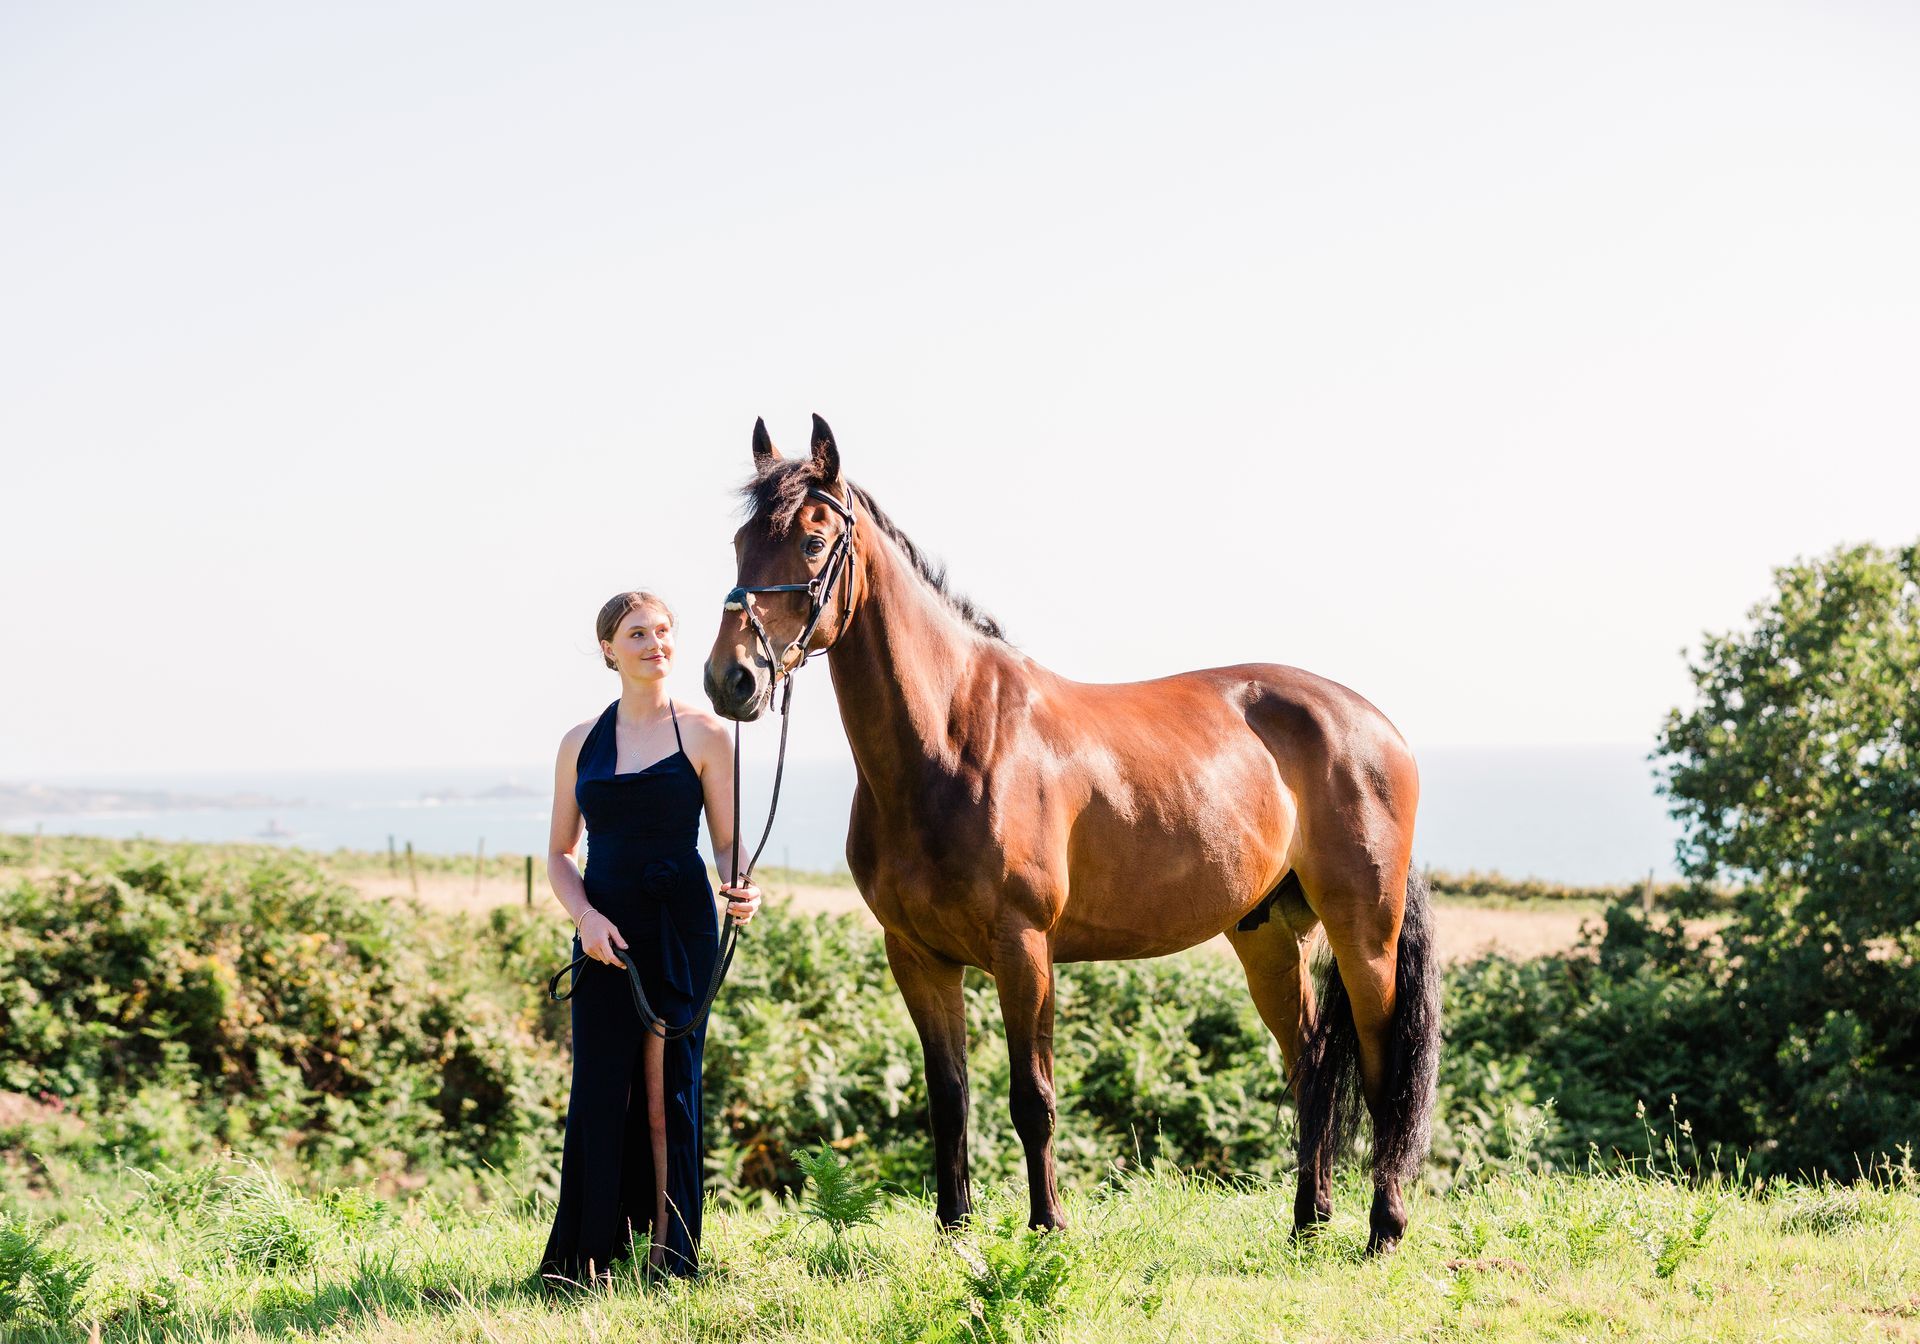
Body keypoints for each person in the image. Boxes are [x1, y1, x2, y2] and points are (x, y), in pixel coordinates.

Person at [538, 589, 761, 1286]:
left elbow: (727, 844)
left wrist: (742, 884)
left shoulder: (705, 733)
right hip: (603, 934)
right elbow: (558, 855)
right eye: (637, 633)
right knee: (601, 1091)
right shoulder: (579, 742)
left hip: (679, 929)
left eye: (663, 631)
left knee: (671, 1093)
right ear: (609, 648)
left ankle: (671, 1257)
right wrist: (586, 920)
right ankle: (587, 1259)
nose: (654, 643)